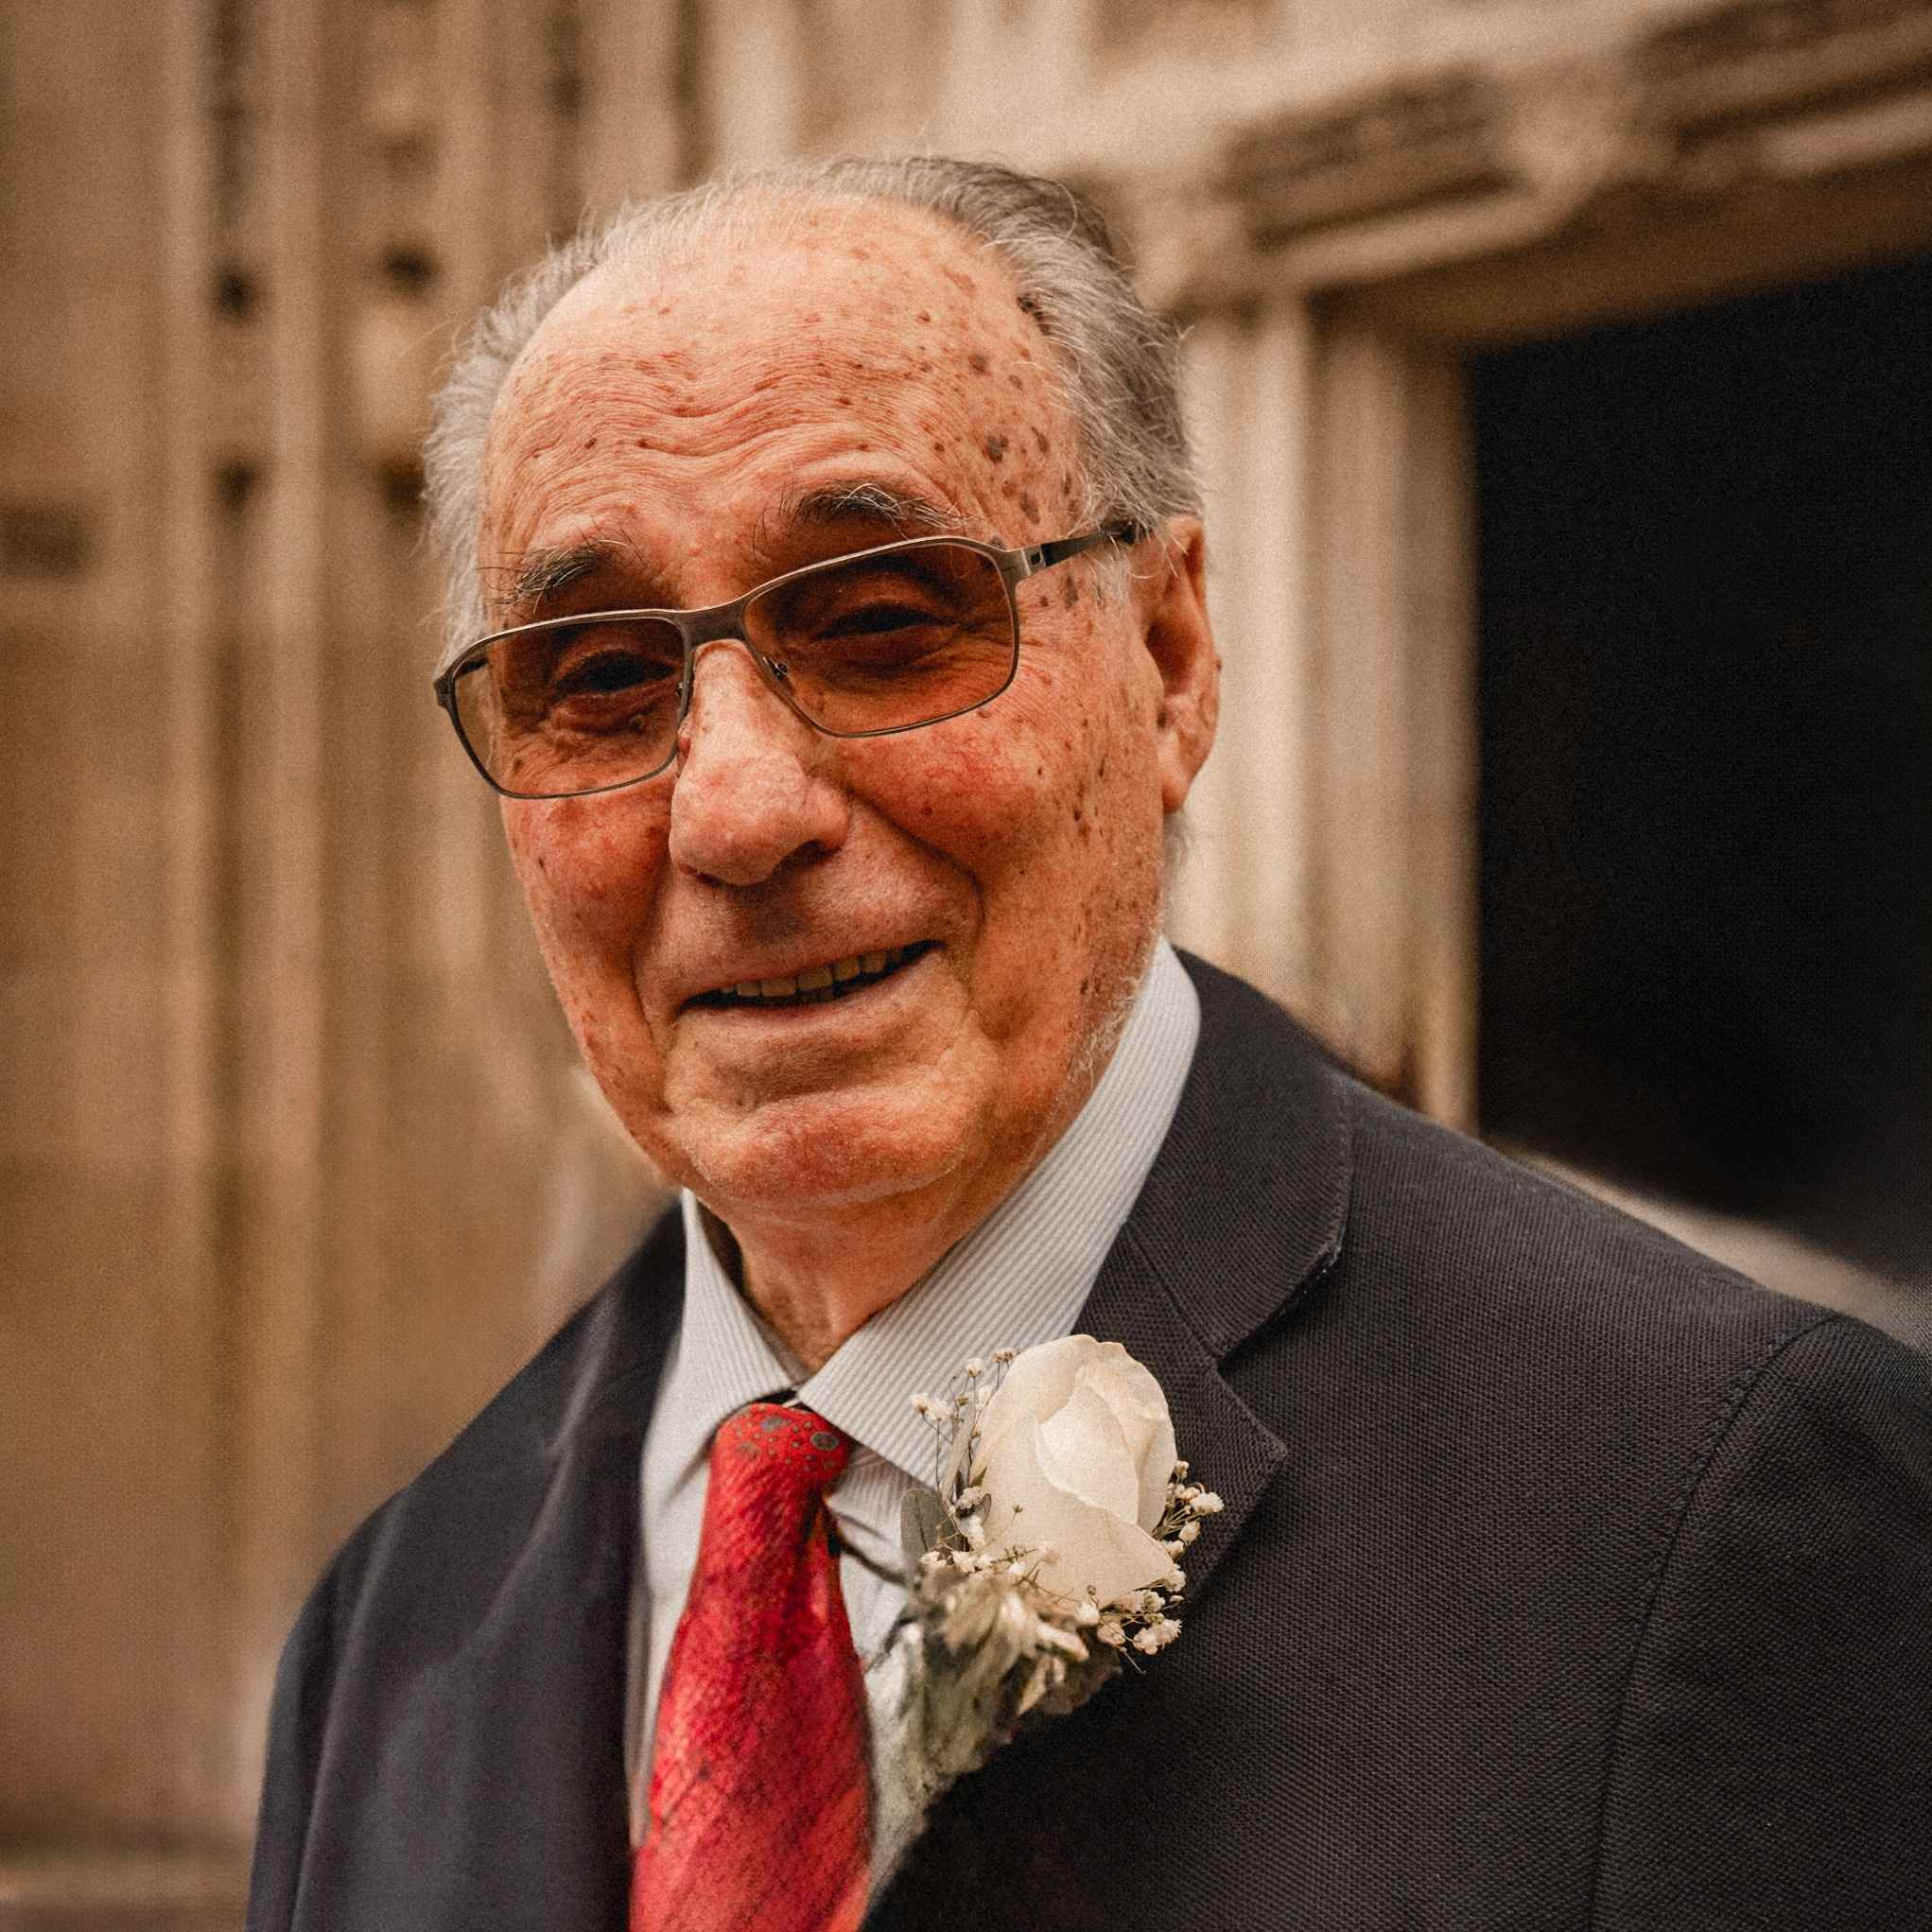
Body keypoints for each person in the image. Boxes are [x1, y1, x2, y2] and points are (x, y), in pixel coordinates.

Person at [246, 157, 1932, 1931]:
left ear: (1171, 658)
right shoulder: (388, 1633)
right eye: (597, 679)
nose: (734, 811)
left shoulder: (1711, 1502)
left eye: (881, 622)